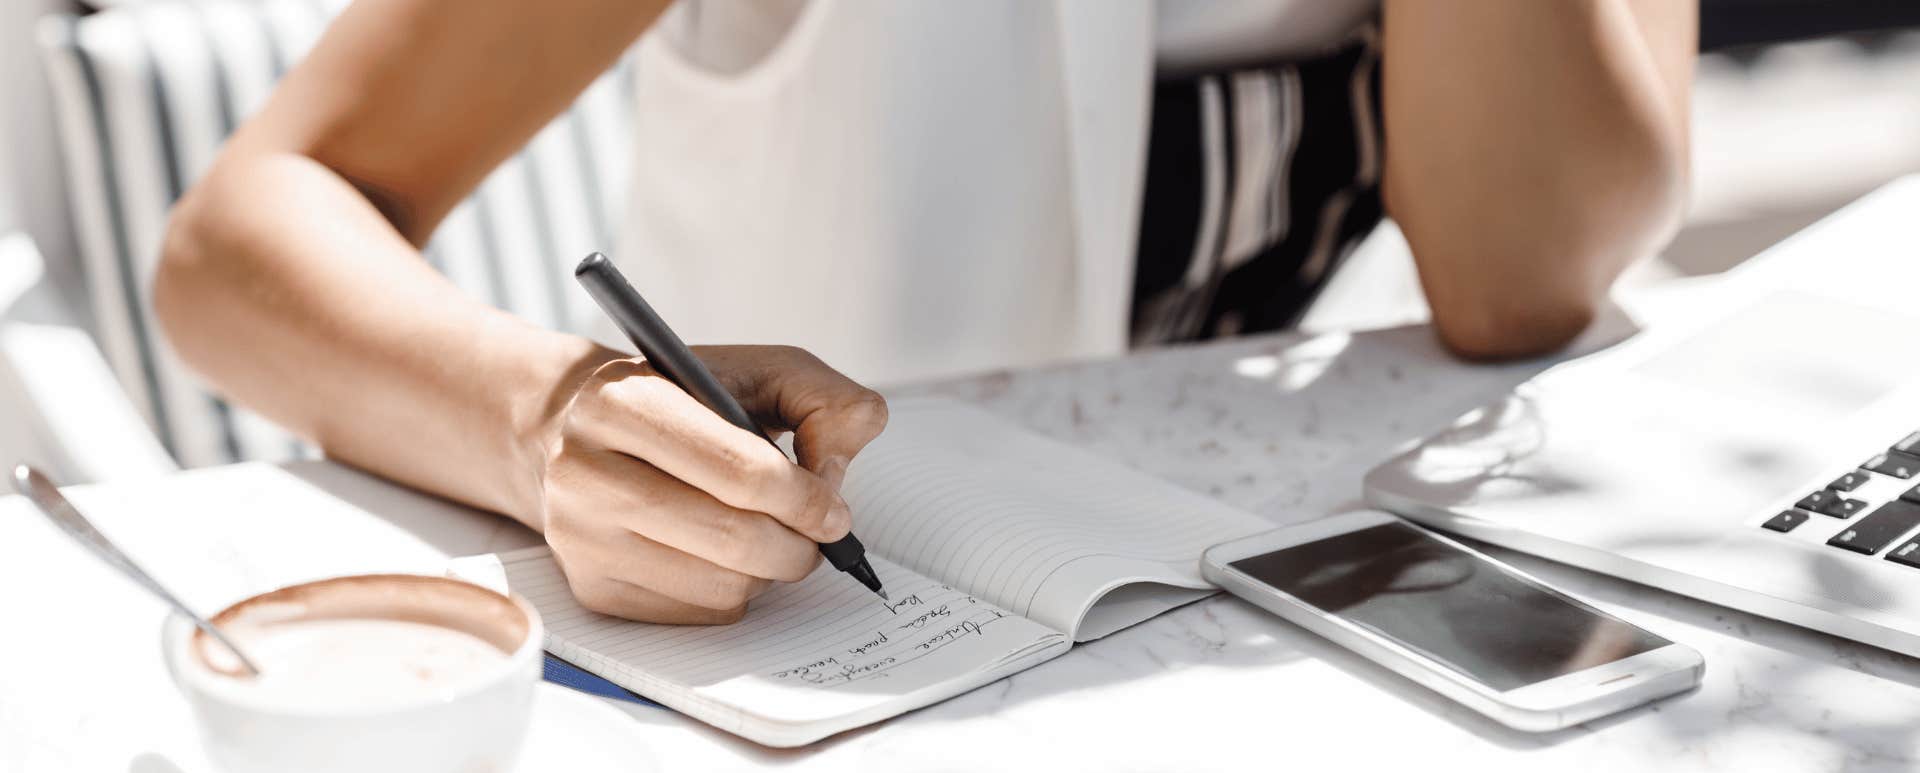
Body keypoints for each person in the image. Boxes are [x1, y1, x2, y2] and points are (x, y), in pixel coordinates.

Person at [154, 0, 1695, 625]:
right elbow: (238, 244)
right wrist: (543, 419)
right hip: (822, 617)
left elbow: (1521, 284)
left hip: (1314, 597)